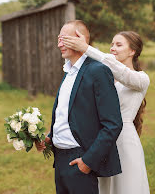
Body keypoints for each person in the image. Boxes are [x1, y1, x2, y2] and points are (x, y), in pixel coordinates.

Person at [36, 20, 123, 194]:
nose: (58, 44)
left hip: (80, 160)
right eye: (58, 39)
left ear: (79, 39)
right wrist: (50, 138)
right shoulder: (68, 71)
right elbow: (67, 114)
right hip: (59, 159)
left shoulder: (98, 71)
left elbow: (113, 123)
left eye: (64, 39)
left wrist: (88, 162)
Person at [62, 30, 150, 194]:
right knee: (105, 188)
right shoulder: (106, 76)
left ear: (133, 51)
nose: (112, 48)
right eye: (111, 44)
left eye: (118, 45)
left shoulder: (141, 79)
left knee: (127, 186)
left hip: (125, 141)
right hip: (104, 140)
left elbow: (122, 73)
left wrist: (87, 48)